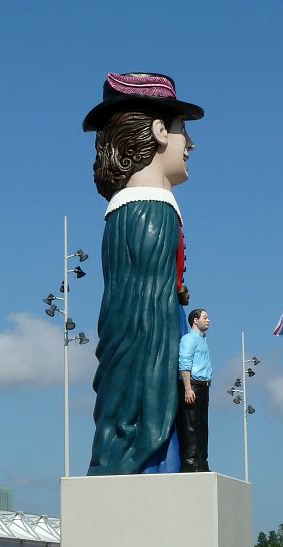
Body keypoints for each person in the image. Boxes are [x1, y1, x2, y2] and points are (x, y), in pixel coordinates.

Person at [83, 72, 204, 476]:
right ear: (157, 132)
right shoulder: (151, 211)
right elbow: (145, 319)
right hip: (152, 380)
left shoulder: (132, 211)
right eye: (182, 129)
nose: (190, 143)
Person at [177, 308, 212, 472]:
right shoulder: (189, 339)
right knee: (190, 424)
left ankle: (202, 461)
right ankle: (190, 463)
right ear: (195, 320)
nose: (208, 320)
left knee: (202, 425)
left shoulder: (202, 340)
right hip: (193, 385)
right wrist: (187, 387)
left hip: (204, 386)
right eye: (204, 317)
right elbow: (185, 362)